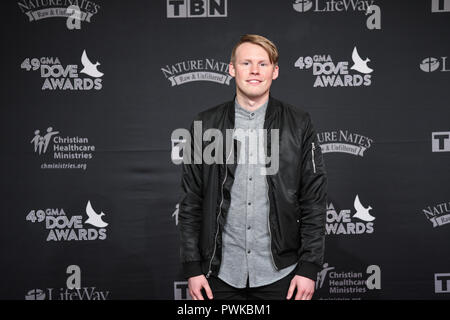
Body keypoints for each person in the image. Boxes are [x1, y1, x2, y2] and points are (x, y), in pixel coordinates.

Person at [178, 34, 327, 300]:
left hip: (283, 274)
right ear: (232, 69)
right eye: (246, 63)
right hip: (217, 276)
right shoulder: (206, 124)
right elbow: (191, 201)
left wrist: (308, 267)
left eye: (263, 64)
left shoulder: (299, 123)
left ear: (275, 71)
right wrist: (192, 267)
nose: (255, 71)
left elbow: (313, 200)